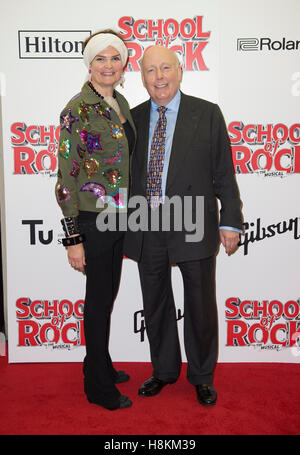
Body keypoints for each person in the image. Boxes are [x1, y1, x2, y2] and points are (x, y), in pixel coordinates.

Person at [124, 46, 243, 406]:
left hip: (194, 219)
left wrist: (232, 221)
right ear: (141, 77)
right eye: (150, 70)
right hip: (146, 223)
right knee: (155, 301)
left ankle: (202, 376)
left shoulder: (206, 113)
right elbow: (123, 179)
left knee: (200, 303)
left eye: (165, 68)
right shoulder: (132, 118)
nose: (158, 77)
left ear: (180, 70)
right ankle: (163, 370)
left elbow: (223, 171)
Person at [55, 30, 136, 410]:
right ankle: (98, 387)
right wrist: (73, 238)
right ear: (89, 65)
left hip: (120, 217)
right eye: (100, 59)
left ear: (123, 65)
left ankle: (99, 363)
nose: (108, 65)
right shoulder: (78, 108)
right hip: (93, 218)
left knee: (105, 299)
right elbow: (66, 177)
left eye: (114, 58)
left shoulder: (119, 102)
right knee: (98, 300)